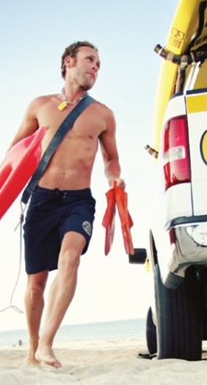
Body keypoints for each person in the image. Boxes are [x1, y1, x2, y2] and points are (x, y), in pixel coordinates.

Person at [8, 41, 124, 368]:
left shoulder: (103, 115)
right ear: (68, 61)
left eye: (99, 64)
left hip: (78, 201)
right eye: (90, 60)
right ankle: (32, 349)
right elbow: (14, 153)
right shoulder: (40, 106)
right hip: (42, 200)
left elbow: (111, 159)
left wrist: (115, 178)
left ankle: (47, 344)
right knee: (36, 283)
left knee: (71, 256)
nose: (95, 68)